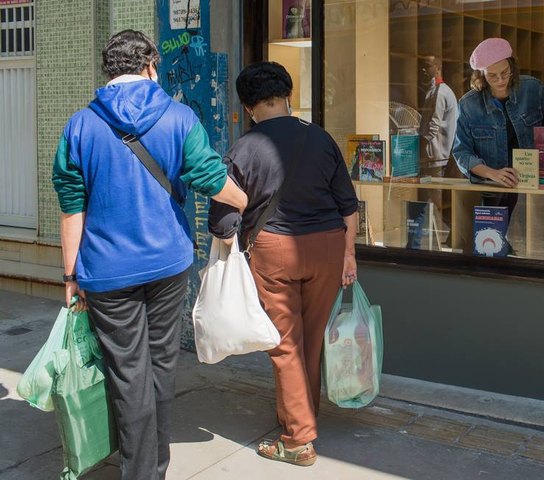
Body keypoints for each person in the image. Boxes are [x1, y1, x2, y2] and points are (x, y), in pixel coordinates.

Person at [51, 30, 247, 480]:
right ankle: (153, 468)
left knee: (128, 372)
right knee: (160, 365)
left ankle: (139, 470)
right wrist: (245, 200)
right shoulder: (178, 117)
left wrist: (70, 277)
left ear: (108, 71)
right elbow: (210, 177)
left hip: (106, 271)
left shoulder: (79, 125)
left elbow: (71, 208)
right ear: (151, 66)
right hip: (168, 264)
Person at [208, 61, 359, 467]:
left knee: (284, 343)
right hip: (328, 245)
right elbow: (349, 205)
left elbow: (222, 221)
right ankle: (302, 414)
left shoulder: (243, 149)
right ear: (287, 97)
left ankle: (297, 440)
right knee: (310, 338)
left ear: (248, 107)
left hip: (273, 250)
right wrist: (348, 255)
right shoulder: (320, 138)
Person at [453, 37, 544, 254]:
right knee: (491, 247)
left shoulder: (533, 89)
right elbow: (462, 152)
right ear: (481, 75)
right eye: (492, 76)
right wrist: (492, 173)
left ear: (512, 66)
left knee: (535, 248)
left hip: (533, 186)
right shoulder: (468, 104)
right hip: (492, 189)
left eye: (505, 72)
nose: (501, 80)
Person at [414, 55, 458, 247]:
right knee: (428, 200)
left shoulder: (440, 92)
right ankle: (414, 242)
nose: (424, 69)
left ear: (438, 67)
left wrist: (417, 144)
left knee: (437, 201)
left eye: (428, 66)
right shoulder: (437, 90)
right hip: (436, 155)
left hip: (435, 156)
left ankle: (459, 234)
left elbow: (433, 125)